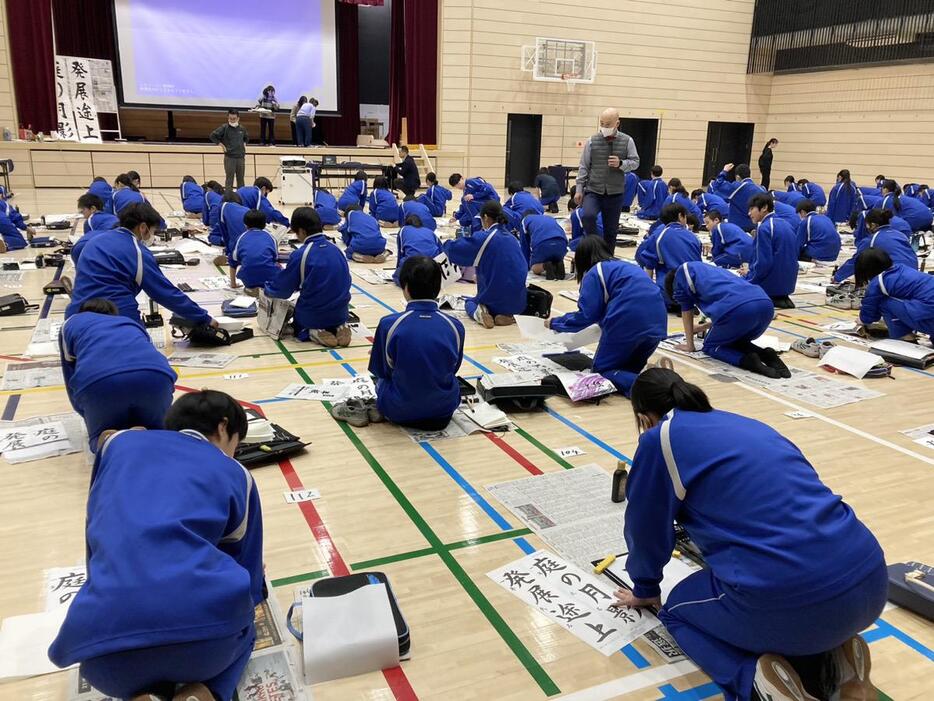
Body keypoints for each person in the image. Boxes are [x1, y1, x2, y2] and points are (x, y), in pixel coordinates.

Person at [617, 368, 886, 701]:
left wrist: (644, 587)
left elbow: (646, 528)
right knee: (801, 599)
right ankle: (847, 670)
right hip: (870, 582)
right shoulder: (748, 424)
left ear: (644, 418)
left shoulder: (659, 439)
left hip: (791, 595)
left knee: (676, 612)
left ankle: (757, 682)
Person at [49, 390, 264, 701]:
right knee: (245, 628)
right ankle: (206, 692)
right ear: (222, 428)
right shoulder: (236, 473)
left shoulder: (117, 446)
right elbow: (250, 576)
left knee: (121, 658)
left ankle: (142, 695)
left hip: (106, 661)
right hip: (206, 650)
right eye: (237, 443)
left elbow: (96, 531)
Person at [341, 256, 465, 429]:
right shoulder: (455, 326)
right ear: (438, 287)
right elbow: (453, 367)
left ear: (406, 287)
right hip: (444, 411)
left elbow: (381, 371)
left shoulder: (390, 324)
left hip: (399, 411)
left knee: (384, 379)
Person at [549, 236, 667, 395]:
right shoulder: (627, 266)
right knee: (623, 373)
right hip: (658, 323)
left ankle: (657, 387)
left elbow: (586, 315)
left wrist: (555, 323)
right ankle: (656, 378)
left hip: (627, 323)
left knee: (601, 374)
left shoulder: (594, 272)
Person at [66, 203, 214, 326]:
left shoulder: (96, 239)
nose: (152, 236)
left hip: (74, 318)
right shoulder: (137, 252)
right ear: (143, 227)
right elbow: (165, 293)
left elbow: (77, 248)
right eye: (153, 231)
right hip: (116, 317)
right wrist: (204, 318)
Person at [59, 298, 177, 451]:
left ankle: (109, 439)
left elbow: (70, 375)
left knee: (99, 438)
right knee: (159, 432)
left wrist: (86, 412)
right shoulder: (129, 323)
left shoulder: (71, 323)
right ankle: (146, 432)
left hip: (100, 381)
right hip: (156, 376)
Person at [666, 263, 788, 378]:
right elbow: (728, 314)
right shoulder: (710, 272)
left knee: (711, 347)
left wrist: (690, 345)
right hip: (765, 304)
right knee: (734, 341)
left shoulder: (681, 275)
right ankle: (767, 355)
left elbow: (686, 310)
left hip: (738, 310)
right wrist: (702, 327)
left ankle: (748, 361)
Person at [264, 207, 352, 347]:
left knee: (296, 319)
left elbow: (283, 290)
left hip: (313, 315)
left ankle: (313, 331)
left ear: (301, 231)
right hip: (341, 312)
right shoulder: (337, 251)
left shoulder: (302, 254)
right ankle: (340, 326)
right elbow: (347, 282)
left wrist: (267, 288)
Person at [443, 200, 527, 328]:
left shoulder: (486, 237)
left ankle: (480, 315)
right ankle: (507, 316)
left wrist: (445, 244)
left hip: (494, 299)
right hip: (519, 301)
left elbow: (457, 250)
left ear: (486, 218)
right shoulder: (512, 239)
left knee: (469, 302)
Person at [575, 108, 640, 253]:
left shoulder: (627, 140)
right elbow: (584, 166)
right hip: (593, 190)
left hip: (615, 193)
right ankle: (595, 249)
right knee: (588, 216)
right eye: (602, 123)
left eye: (608, 124)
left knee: (611, 230)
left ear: (617, 123)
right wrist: (579, 189)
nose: (604, 127)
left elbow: (635, 162)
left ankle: (607, 258)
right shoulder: (592, 141)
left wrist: (621, 164)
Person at [856, 248, 934, 343]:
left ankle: (904, 337)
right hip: (929, 311)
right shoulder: (901, 269)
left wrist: (861, 319)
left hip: (930, 318)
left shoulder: (879, 282)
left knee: (884, 302)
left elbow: (870, 312)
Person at [634, 203, 702, 309]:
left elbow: (648, 264)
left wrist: (648, 293)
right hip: (694, 292)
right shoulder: (694, 237)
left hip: (669, 292)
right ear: (680, 216)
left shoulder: (660, 234)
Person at [834, 209, 918, 283]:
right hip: (914, 276)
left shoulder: (872, 239)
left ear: (873, 225)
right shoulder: (900, 235)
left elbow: (856, 262)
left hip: (896, 278)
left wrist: (837, 277)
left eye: (866, 224)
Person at [745, 193, 799, 308]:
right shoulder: (786, 224)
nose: (749, 213)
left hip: (770, 286)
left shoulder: (765, 228)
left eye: (752, 209)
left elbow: (763, 262)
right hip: (787, 286)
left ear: (764, 207)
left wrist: (749, 279)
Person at [230, 209, 280, 291]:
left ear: (245, 225)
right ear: (264, 225)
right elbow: (275, 259)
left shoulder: (240, 238)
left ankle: (251, 288)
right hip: (269, 278)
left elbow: (233, 262)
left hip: (248, 279)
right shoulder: (271, 237)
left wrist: (233, 284)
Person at [711, 163, 765, 232]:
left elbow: (717, 185)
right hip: (755, 226)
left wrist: (724, 171)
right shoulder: (761, 189)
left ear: (737, 177)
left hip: (738, 227)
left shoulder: (738, 187)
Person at [394, 213, 442, 286]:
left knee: (397, 277)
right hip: (432, 263)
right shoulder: (430, 231)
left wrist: (399, 268)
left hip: (413, 261)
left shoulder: (403, 230)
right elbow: (441, 250)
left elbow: (400, 252)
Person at [521, 212, 569, 279]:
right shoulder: (549, 217)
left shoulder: (524, 220)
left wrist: (526, 266)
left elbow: (524, 246)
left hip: (543, 243)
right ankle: (558, 264)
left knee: (534, 268)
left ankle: (545, 266)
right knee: (554, 257)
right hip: (562, 242)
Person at [210, 109, 249, 190]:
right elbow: (212, 136)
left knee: (241, 179)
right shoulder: (224, 127)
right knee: (229, 179)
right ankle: (228, 197)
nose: (232, 120)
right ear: (228, 118)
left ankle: (241, 197)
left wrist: (243, 145)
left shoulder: (242, 128)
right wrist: (221, 145)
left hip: (240, 157)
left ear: (238, 118)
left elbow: (246, 138)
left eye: (234, 119)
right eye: (230, 118)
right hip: (230, 157)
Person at [216, 192, 251, 261]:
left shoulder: (223, 207)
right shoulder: (248, 210)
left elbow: (224, 234)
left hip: (236, 250)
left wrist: (228, 251)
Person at [567, 186, 602, 252]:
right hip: (605, 238)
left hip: (594, 237)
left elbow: (575, 234)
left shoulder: (576, 213)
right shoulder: (597, 209)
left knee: (569, 246)